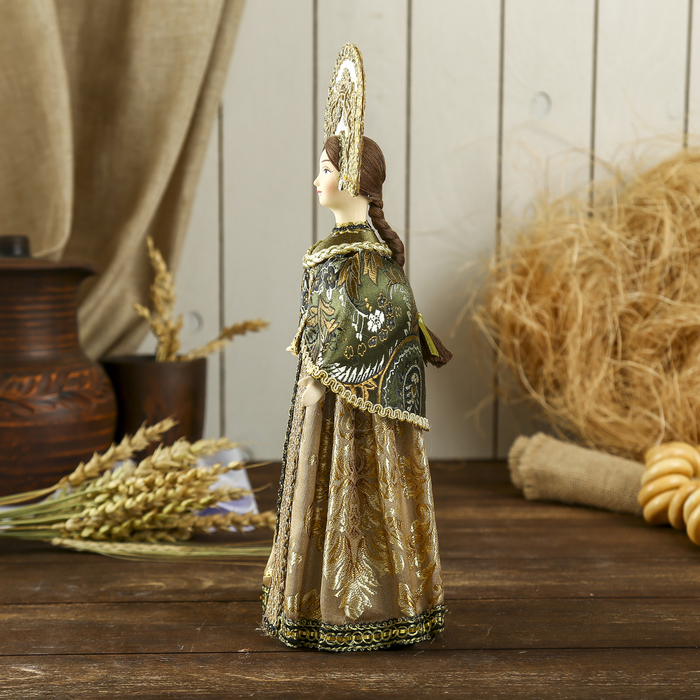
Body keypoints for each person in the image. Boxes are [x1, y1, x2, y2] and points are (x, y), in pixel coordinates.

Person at [261, 134, 447, 652]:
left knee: (363, 488)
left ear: (353, 180)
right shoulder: (338, 254)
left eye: (325, 169)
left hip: (350, 404)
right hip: (325, 400)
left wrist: (321, 374)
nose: (317, 180)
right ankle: (313, 601)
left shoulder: (368, 261)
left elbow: (382, 321)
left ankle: (373, 608)